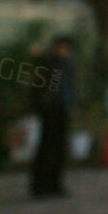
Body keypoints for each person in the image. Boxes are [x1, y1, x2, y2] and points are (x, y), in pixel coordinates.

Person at [30, 35, 78, 198]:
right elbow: (46, 87)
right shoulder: (51, 64)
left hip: (62, 110)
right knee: (47, 148)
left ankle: (55, 184)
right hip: (50, 110)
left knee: (59, 149)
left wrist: (72, 105)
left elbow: (70, 88)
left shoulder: (69, 65)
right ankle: (41, 186)